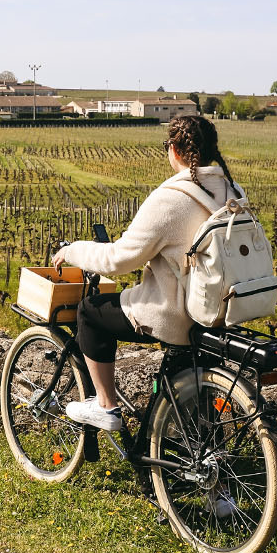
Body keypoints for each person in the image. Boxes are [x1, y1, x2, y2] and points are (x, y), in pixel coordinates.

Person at [50, 114, 244, 432]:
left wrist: (72, 252)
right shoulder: (232, 190)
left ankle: (105, 406)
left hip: (175, 314)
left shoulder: (171, 199)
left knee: (90, 311)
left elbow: (119, 260)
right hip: (220, 311)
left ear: (176, 150)